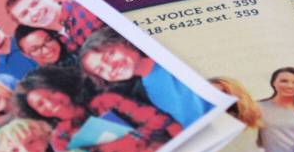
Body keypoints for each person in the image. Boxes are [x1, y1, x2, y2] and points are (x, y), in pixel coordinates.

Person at [17, 65, 182, 152]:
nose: (50, 103)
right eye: (40, 104)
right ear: (37, 113)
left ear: (62, 87)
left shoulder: (105, 101)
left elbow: (159, 120)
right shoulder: (60, 139)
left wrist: (130, 142)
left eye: (51, 93)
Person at [78, 27, 212, 128]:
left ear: (124, 41)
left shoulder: (170, 57)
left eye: (110, 55)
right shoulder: (148, 94)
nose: (110, 67)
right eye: (100, 70)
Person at [192, 77, 273, 152]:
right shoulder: (194, 120)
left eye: (224, 92)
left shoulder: (254, 115)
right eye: (212, 93)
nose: (218, 97)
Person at [5, 0, 104, 53]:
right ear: (23, 23)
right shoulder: (53, 39)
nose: (34, 13)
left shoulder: (88, 7)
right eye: (24, 14)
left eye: (35, 3)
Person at [13, 25, 77, 68]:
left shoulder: (80, 53)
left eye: (48, 40)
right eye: (35, 49)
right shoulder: (41, 83)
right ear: (26, 55)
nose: (47, 51)